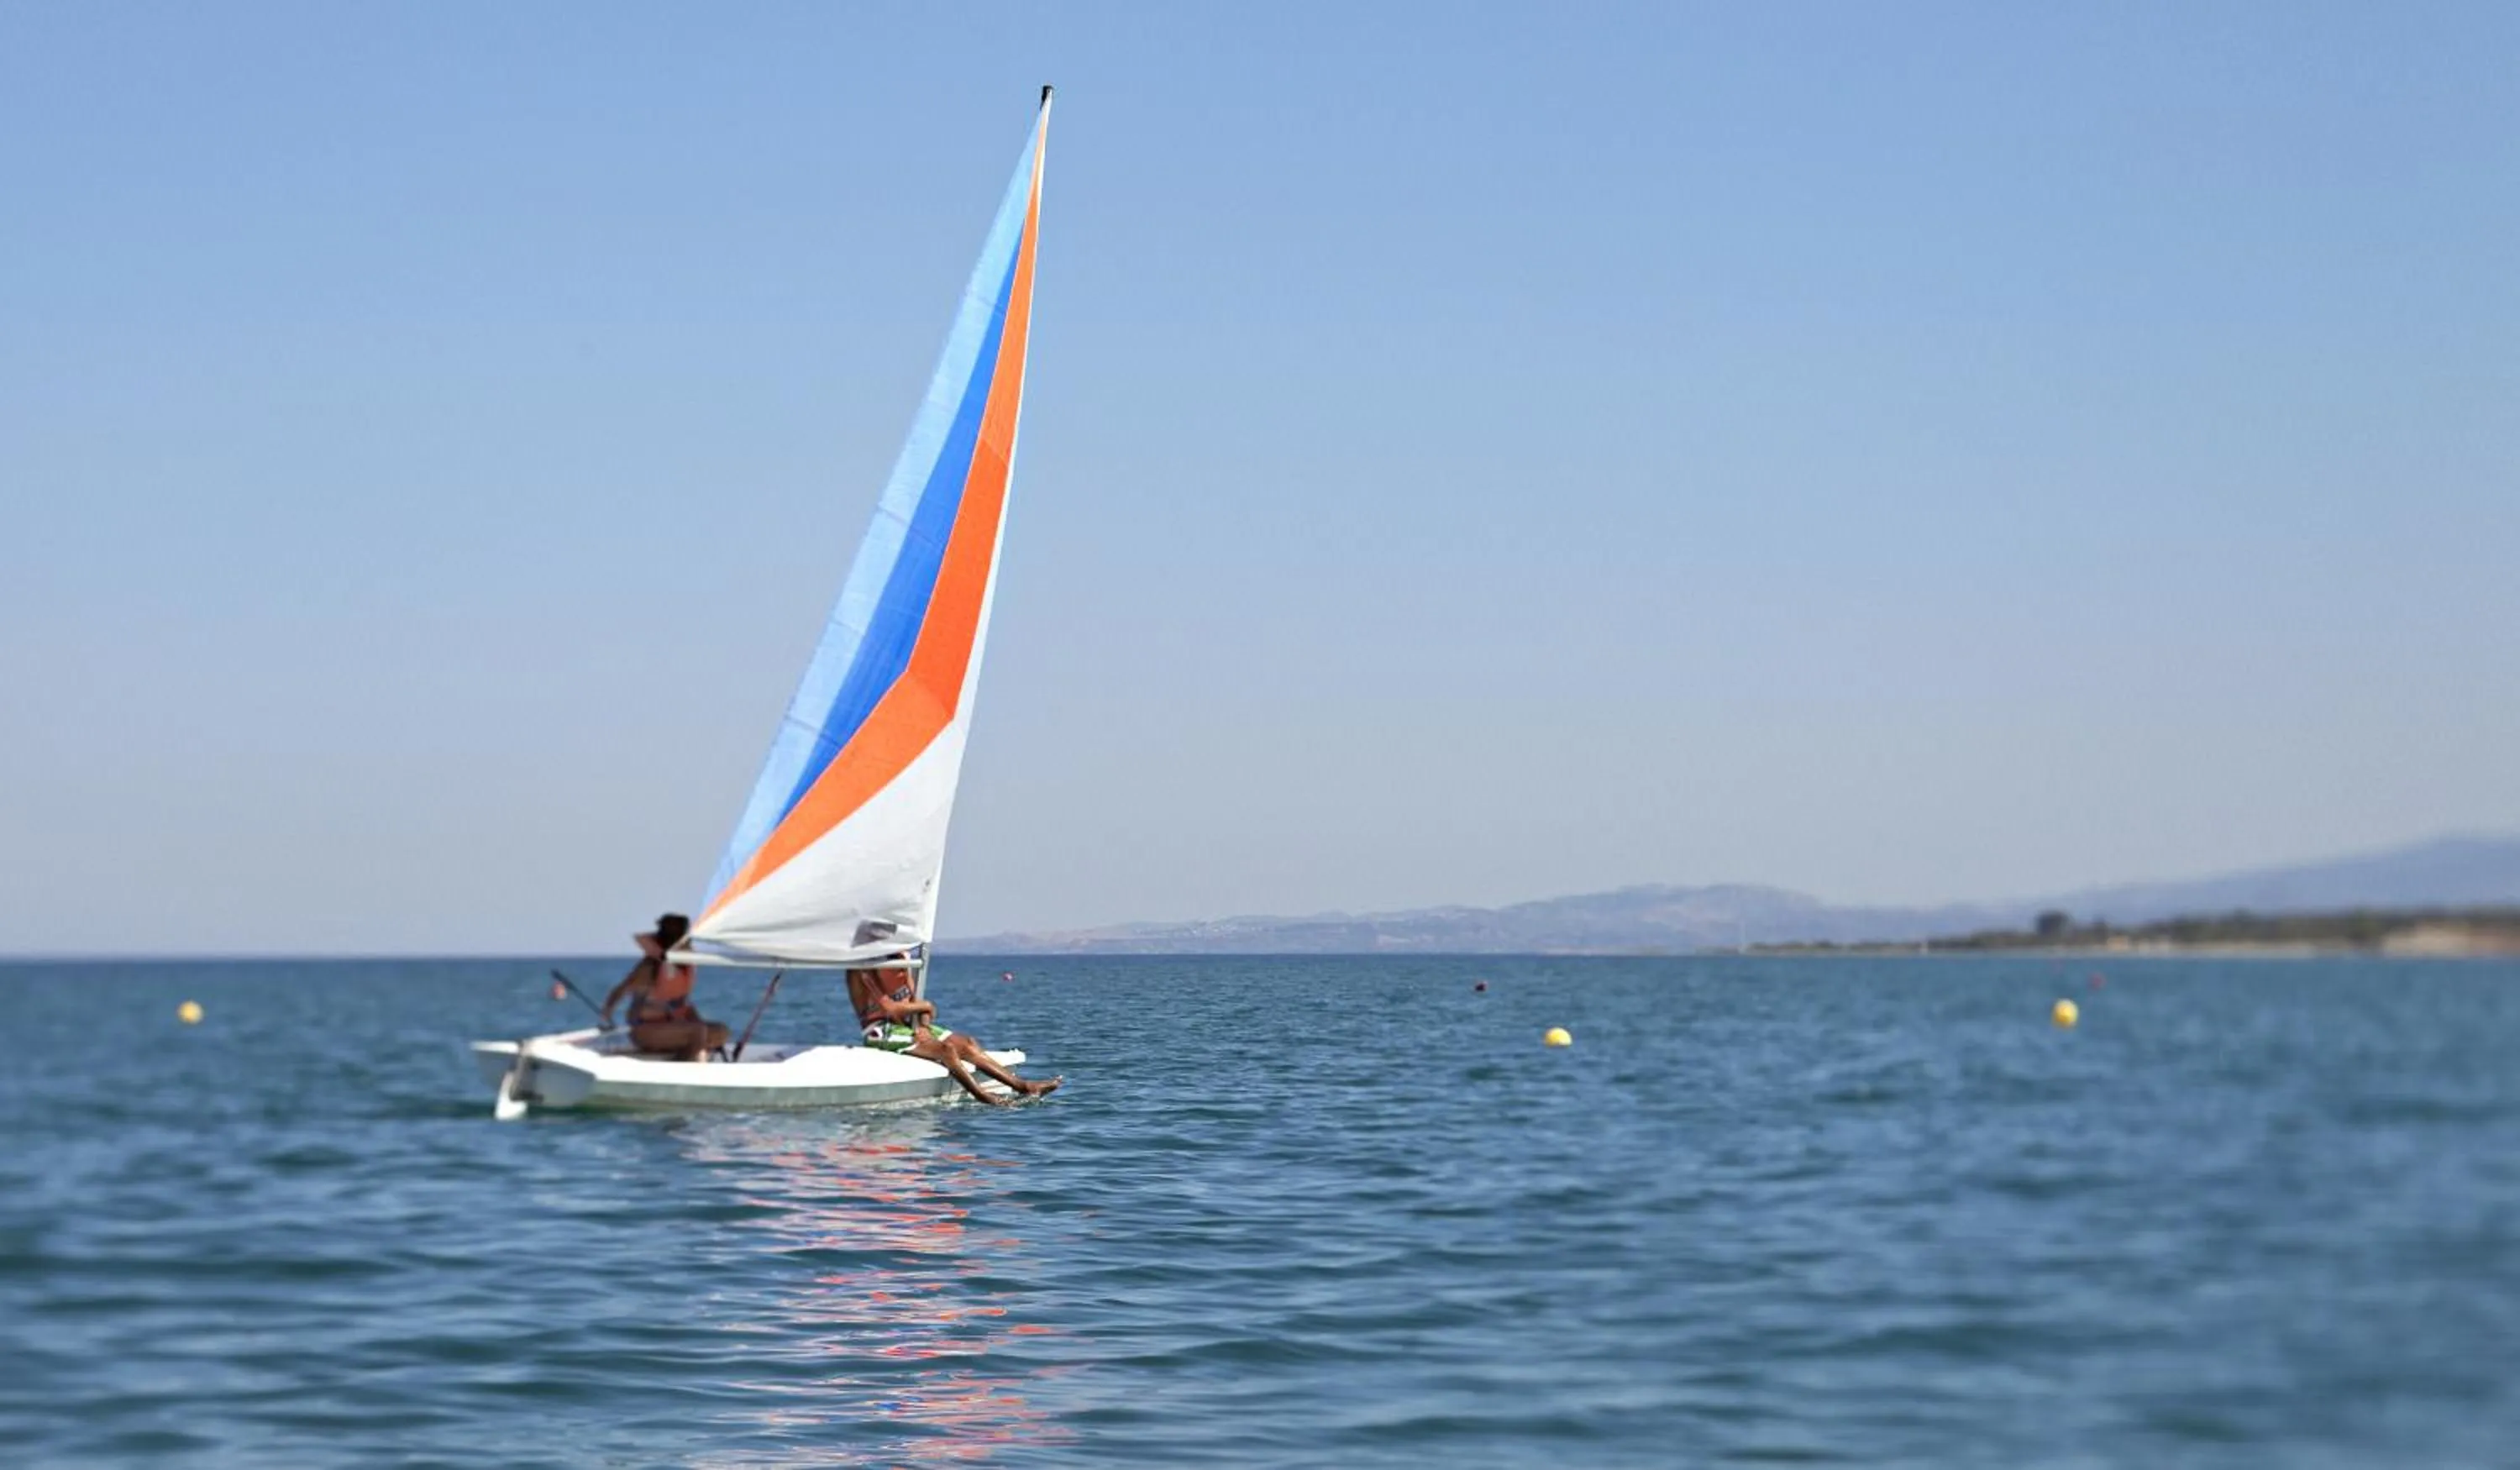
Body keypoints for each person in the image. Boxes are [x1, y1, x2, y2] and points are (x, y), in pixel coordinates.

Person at [847, 958, 1059, 1105]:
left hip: (911, 1025)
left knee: (967, 1043)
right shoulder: (864, 966)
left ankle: (1024, 1086)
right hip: (881, 1030)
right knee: (947, 1049)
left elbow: (915, 1001)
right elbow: (889, 1009)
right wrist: (927, 1006)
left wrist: (924, 1024)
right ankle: (982, 1095)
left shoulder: (903, 958)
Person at [600, 913, 730, 1061]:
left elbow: (684, 1004)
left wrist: (695, 1021)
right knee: (698, 1032)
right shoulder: (650, 967)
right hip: (646, 1031)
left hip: (675, 1027)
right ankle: (682, 1067)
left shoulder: (684, 964)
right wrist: (607, 1014)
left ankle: (690, 1052)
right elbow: (620, 991)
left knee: (721, 1031)